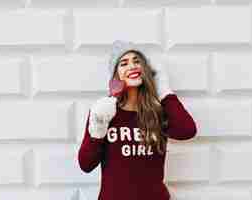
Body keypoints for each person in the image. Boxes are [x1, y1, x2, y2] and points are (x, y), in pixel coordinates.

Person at [78, 40, 197, 200]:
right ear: (116, 75)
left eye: (137, 61)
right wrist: (98, 127)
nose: (132, 66)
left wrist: (164, 91)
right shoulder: (103, 112)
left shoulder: (157, 112)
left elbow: (187, 130)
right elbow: (86, 164)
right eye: (124, 63)